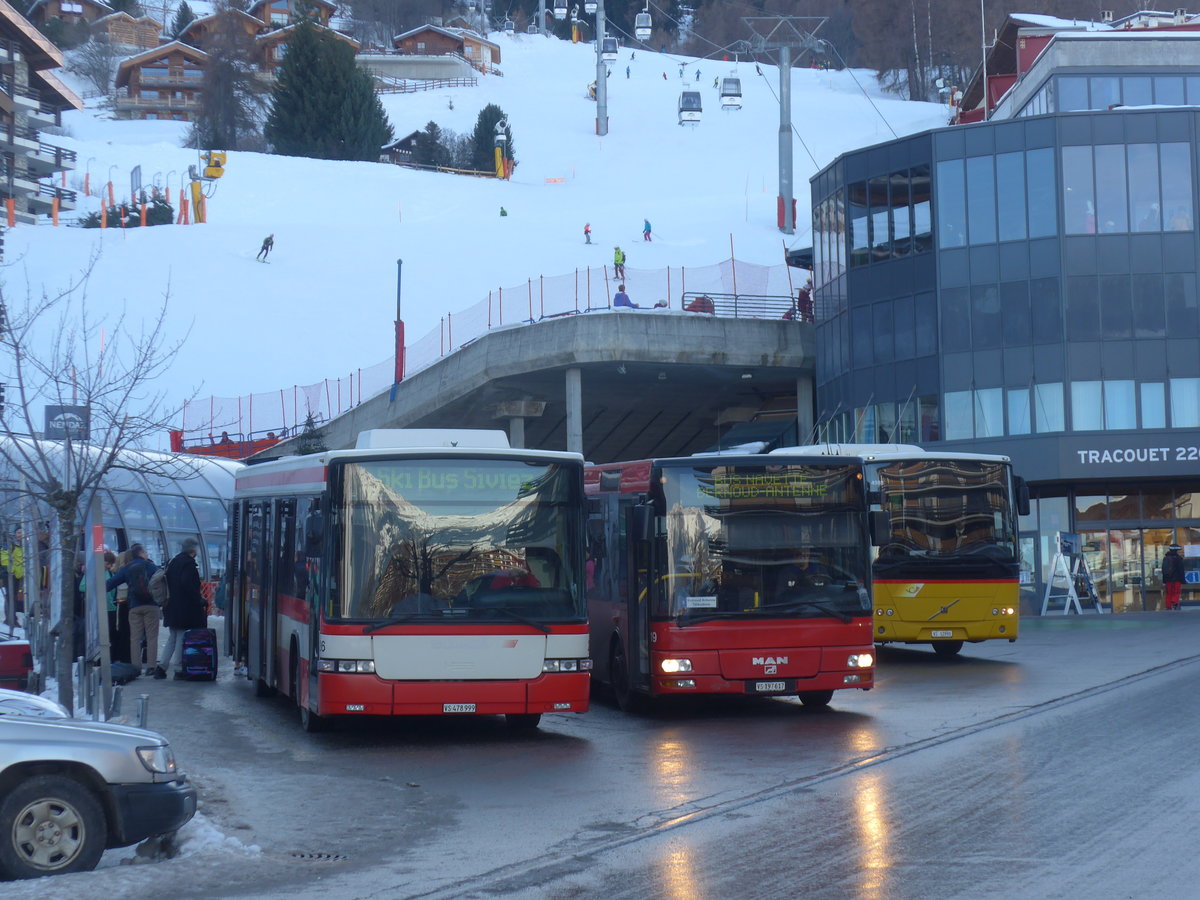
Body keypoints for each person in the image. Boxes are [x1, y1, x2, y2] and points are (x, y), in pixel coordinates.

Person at [156, 538, 209, 679]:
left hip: (171, 606)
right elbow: (187, 584)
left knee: (172, 637)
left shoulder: (173, 561)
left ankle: (161, 667)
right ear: (192, 550)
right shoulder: (189, 564)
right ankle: (179, 669)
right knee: (181, 637)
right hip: (184, 608)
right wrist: (198, 599)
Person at [106, 543, 159, 675]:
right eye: (145, 552)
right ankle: (151, 667)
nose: (147, 554)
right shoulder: (151, 566)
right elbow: (162, 580)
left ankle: (136, 667)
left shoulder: (127, 568)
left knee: (135, 638)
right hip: (151, 605)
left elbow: (110, 584)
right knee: (152, 637)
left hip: (134, 606)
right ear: (141, 554)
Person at [1162, 544, 1185, 610]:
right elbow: (1181, 570)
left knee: (1169, 593)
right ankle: (1174, 602)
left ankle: (1168, 606)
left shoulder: (1165, 558)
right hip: (1177, 579)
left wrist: (1164, 580)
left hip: (1168, 579)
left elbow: (1163, 570)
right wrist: (1183, 580)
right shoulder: (1178, 558)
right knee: (1176, 592)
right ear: (1176, 550)